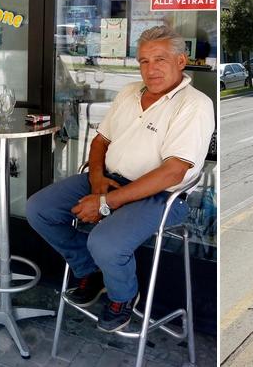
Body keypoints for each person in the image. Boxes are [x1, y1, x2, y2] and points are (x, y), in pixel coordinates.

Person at [27, 25, 214, 332]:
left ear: (181, 61)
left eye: (160, 60)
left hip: (161, 196)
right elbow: (100, 141)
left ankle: (122, 296)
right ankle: (92, 269)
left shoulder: (194, 105)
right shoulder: (129, 93)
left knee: (106, 242)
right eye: (143, 61)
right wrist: (98, 179)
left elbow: (173, 171)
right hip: (110, 180)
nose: (150, 69)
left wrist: (104, 202)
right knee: (39, 209)